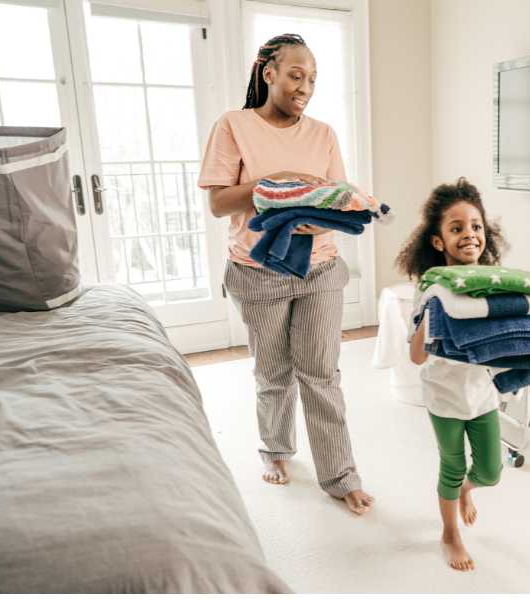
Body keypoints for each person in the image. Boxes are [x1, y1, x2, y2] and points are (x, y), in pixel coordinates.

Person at [197, 33, 373, 515]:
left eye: (312, 79)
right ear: (268, 72)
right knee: (274, 374)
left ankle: (340, 474)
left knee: (321, 374)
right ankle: (275, 448)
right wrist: (278, 187)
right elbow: (217, 203)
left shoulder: (324, 134)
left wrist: (318, 209)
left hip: (319, 265)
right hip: (258, 269)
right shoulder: (233, 125)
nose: (305, 86)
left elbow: (334, 196)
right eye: (296, 75)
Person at [396, 177, 508, 570]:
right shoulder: (429, 288)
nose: (469, 234)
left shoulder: (493, 285)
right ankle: (449, 533)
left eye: (475, 226)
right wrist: (434, 308)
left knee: (491, 471)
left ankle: (466, 491)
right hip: (444, 396)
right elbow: (415, 356)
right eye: (456, 228)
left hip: (481, 394)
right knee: (452, 464)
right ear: (439, 241)